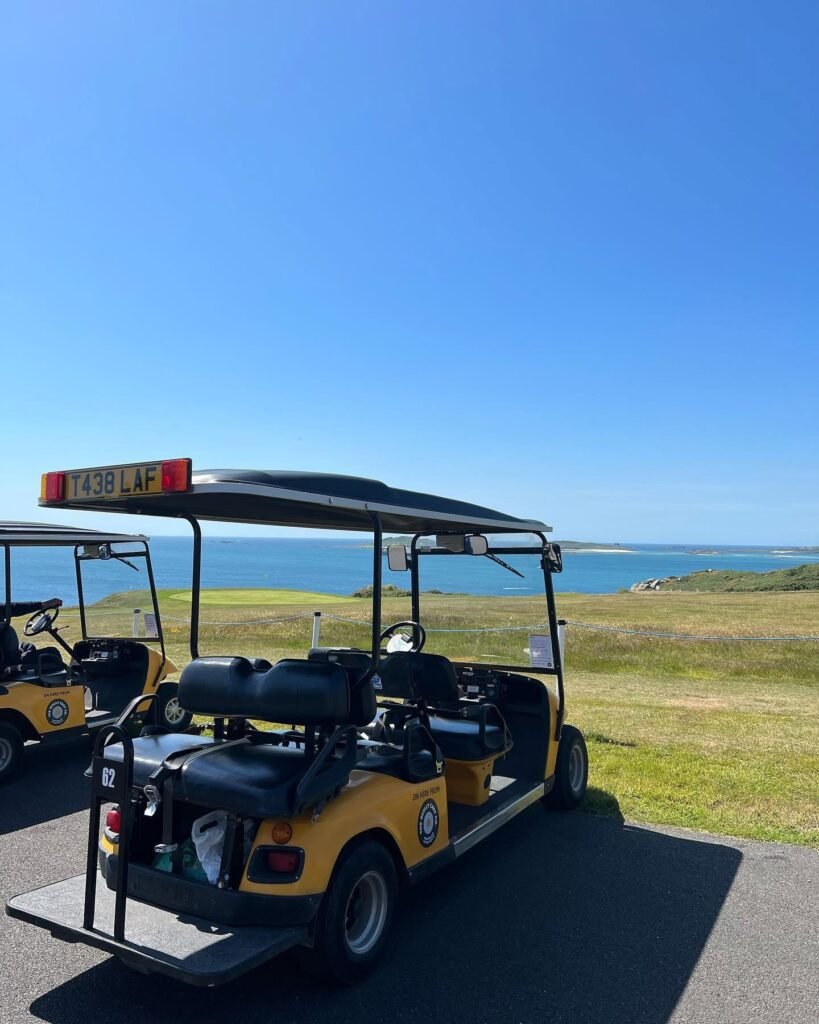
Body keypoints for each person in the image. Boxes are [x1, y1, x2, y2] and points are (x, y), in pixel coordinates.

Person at [0, 597, 63, 679]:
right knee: (53, 654)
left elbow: (13, 608)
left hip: (10, 655)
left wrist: (43, 604)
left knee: (27, 646)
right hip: (7, 665)